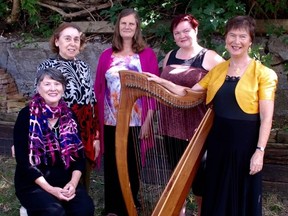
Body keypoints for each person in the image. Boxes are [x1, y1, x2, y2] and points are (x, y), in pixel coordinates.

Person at [145, 15, 278, 216]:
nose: (236, 41)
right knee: (216, 193)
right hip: (218, 143)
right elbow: (189, 93)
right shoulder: (218, 70)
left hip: (245, 145)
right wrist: (163, 82)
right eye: (232, 35)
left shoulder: (264, 74)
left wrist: (259, 150)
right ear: (225, 39)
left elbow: (267, 118)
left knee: (241, 195)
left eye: (242, 36)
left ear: (251, 40)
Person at [94, 8, 159, 216]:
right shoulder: (107, 55)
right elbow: (99, 87)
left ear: (137, 27)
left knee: (133, 164)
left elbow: (154, 91)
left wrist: (148, 121)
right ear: (118, 27)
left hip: (137, 121)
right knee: (112, 164)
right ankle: (113, 208)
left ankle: (130, 205)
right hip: (111, 120)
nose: (127, 27)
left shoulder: (147, 55)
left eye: (131, 24)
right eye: (124, 24)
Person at [158, 14, 224, 216]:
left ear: (195, 30)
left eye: (186, 30)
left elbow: (229, 82)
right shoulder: (170, 56)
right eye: (177, 32)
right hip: (171, 126)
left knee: (200, 182)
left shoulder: (210, 57)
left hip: (198, 128)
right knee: (176, 179)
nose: (181, 35)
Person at [13, 68, 95, 216]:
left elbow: (79, 157)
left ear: (63, 88)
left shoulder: (69, 116)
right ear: (38, 87)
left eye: (57, 84)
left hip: (65, 180)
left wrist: (73, 183)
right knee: (54, 212)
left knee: (85, 209)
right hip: (34, 182)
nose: (53, 88)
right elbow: (24, 162)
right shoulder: (26, 116)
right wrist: (51, 190)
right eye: (47, 84)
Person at [37, 22, 100, 190]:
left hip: (84, 131)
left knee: (82, 178)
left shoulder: (84, 67)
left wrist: (96, 136)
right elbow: (38, 102)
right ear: (57, 41)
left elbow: (91, 101)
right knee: (61, 178)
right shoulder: (46, 67)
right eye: (67, 39)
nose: (72, 43)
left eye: (76, 39)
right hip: (58, 131)